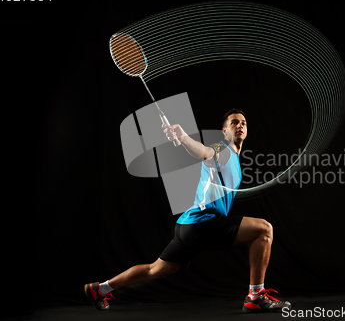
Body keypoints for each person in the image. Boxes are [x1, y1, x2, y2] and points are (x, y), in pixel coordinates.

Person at [84, 108, 292, 312]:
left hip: (188, 226)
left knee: (154, 269)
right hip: (203, 223)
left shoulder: (235, 159)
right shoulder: (221, 150)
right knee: (264, 229)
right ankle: (255, 297)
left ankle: (100, 288)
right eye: (234, 122)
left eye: (243, 123)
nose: (240, 125)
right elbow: (203, 151)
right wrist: (183, 137)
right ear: (224, 131)